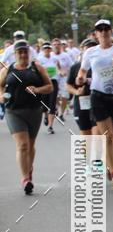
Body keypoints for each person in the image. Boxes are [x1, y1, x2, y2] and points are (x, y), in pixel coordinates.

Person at [77, 19, 113, 190]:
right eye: (99, 29)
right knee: (107, 137)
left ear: (111, 31)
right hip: (98, 97)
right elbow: (82, 71)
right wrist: (80, 78)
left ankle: (107, 164)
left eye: (106, 29)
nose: (103, 32)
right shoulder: (90, 52)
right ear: (96, 34)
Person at [0, 40, 53, 193]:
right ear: (15, 54)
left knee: (30, 145)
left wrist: (37, 89)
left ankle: (28, 170)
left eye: (25, 52)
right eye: (20, 52)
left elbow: (49, 87)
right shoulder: (7, 69)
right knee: (22, 145)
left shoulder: (37, 68)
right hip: (13, 112)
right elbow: (0, 85)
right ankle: (25, 179)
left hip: (34, 111)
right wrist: (1, 96)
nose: (23, 55)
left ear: (29, 53)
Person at [66, 38, 97, 135]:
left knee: (97, 135)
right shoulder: (75, 67)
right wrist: (76, 92)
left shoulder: (101, 65)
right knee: (85, 135)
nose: (90, 50)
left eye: (93, 48)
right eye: (88, 48)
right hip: (81, 103)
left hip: (98, 102)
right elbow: (68, 85)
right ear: (82, 50)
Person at [37, 42, 60, 133]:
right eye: (45, 48)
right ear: (43, 50)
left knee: (52, 103)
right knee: (44, 103)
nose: (47, 50)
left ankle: (50, 126)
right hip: (43, 83)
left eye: (48, 48)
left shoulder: (54, 58)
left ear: (50, 49)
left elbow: (58, 67)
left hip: (53, 82)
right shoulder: (39, 59)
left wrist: (60, 72)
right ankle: (46, 116)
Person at [52, 38, 73, 118]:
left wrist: (66, 72)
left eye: (58, 44)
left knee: (64, 96)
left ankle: (61, 114)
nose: (56, 46)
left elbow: (71, 67)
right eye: (54, 44)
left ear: (60, 46)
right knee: (56, 96)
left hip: (64, 78)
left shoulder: (65, 55)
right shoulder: (50, 55)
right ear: (52, 46)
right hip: (54, 78)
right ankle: (57, 108)